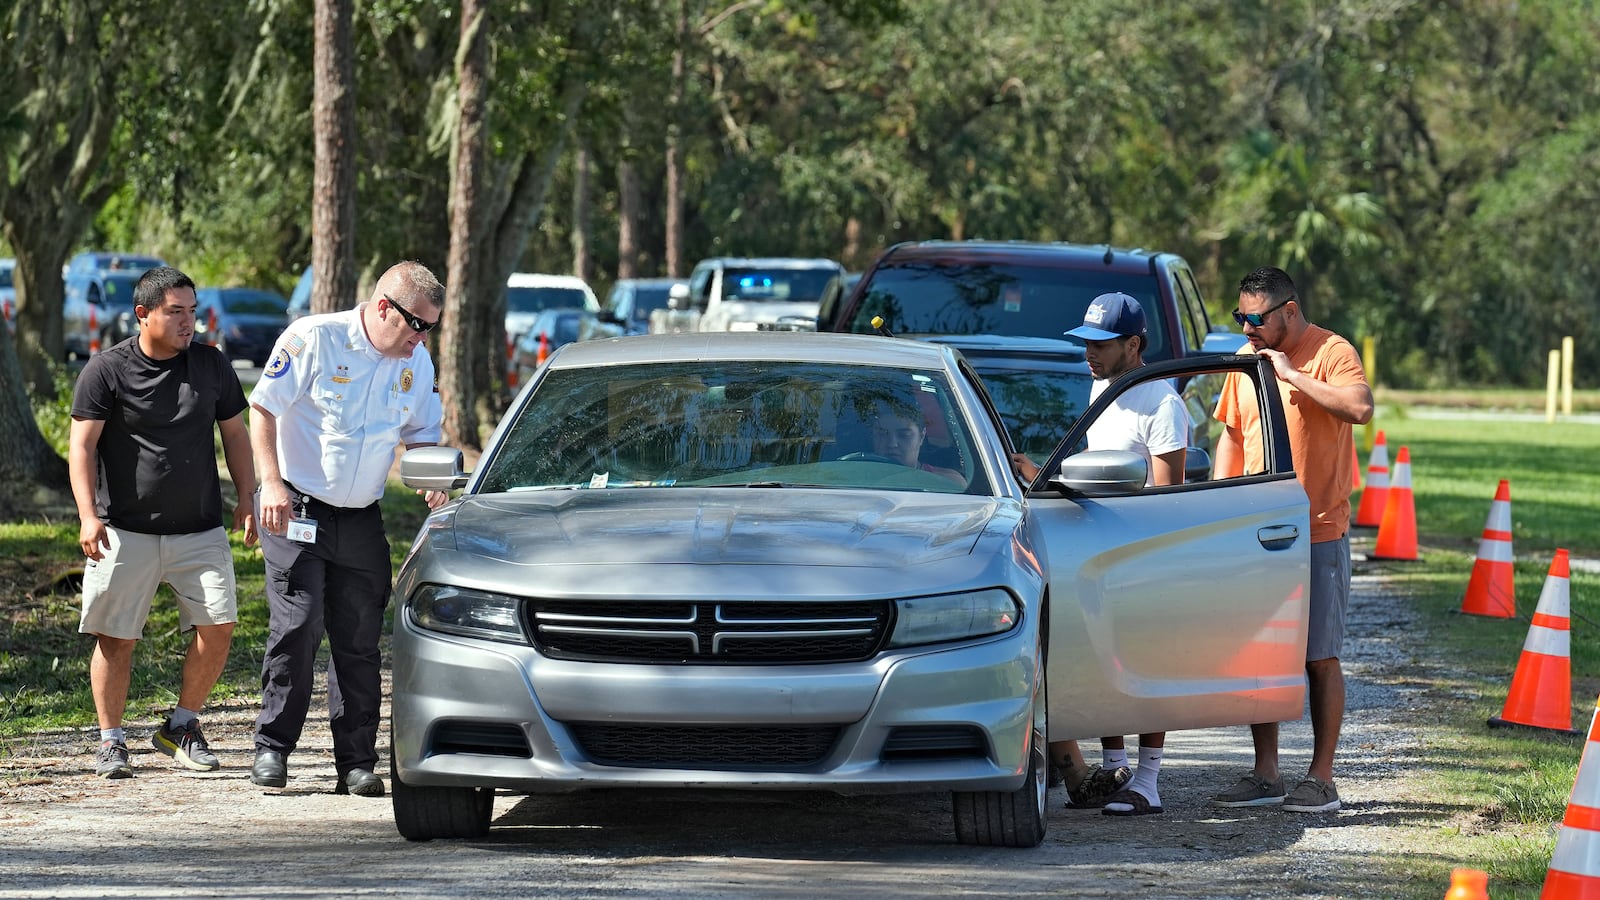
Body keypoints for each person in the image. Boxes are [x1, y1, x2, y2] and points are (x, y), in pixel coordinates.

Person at [248, 261, 450, 797]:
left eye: (431, 328)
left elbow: (422, 433)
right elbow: (263, 410)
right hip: (296, 508)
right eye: (417, 325)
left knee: (359, 640)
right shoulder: (315, 338)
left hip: (361, 517)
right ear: (385, 306)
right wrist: (270, 483)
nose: (421, 338)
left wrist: (433, 478)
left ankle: (356, 762)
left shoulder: (416, 363)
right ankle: (272, 747)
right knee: (301, 623)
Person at [68, 265, 257, 779]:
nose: (188, 323)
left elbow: (236, 437)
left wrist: (247, 498)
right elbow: (81, 448)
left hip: (200, 528)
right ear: (143, 314)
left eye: (193, 312)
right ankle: (111, 741)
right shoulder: (105, 371)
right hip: (123, 530)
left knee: (218, 626)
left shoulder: (212, 365)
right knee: (117, 637)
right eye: (176, 312)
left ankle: (181, 725)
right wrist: (88, 516)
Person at [1011, 292, 1188, 816]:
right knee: (1107, 662)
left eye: (1101, 344)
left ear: (1133, 345)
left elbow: (1166, 494)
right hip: (1099, 551)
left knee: (1148, 665)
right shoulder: (1102, 387)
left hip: (1144, 554)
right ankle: (1115, 771)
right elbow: (1097, 469)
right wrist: (1042, 474)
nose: (1090, 353)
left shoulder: (1162, 404)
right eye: (1085, 342)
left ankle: (1148, 781)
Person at [1209, 266, 1373, 813]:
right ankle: (1266, 773)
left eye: (1257, 319)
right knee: (1262, 654)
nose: (1248, 327)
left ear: (1289, 311)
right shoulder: (1243, 361)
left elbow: (1360, 409)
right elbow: (1232, 438)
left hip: (1318, 528)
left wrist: (1289, 374)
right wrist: (1215, 510)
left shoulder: (1331, 351)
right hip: (1257, 533)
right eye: (1241, 316)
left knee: (1318, 656)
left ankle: (1321, 777)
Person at [866, 406, 965, 484]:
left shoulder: (947, 483)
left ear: (921, 437)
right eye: (883, 434)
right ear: (873, 436)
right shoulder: (855, 479)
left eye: (904, 435)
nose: (892, 444)